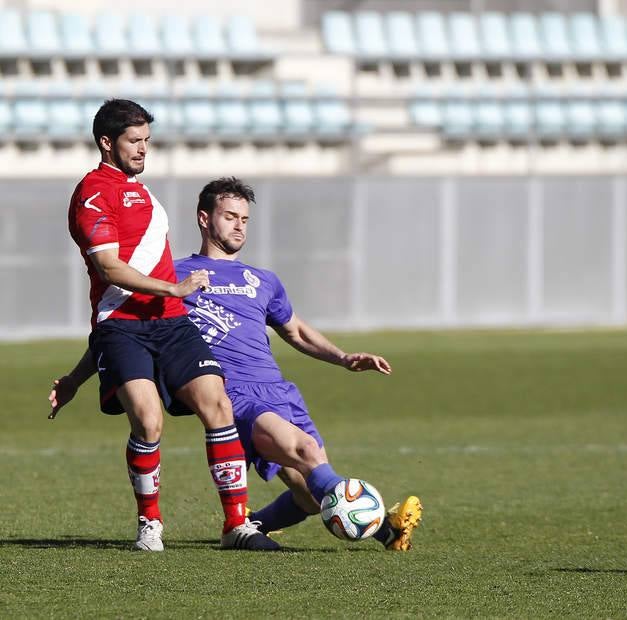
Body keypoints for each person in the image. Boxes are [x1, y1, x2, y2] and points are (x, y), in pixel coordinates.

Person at [54, 176, 423, 551]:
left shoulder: (263, 279)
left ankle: (246, 526)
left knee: (311, 497)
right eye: (229, 216)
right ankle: (385, 528)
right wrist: (75, 378)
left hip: (278, 391)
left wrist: (343, 358)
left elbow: (295, 331)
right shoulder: (174, 275)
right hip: (232, 394)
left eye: (244, 219)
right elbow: (123, 329)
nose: (239, 225)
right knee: (307, 453)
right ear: (204, 219)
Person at [65, 99, 276, 552]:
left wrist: (170, 300)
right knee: (147, 420)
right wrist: (174, 289)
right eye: (134, 141)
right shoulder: (93, 193)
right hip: (121, 325)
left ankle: (236, 524)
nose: (144, 149)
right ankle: (150, 523)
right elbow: (109, 268)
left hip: (170, 323)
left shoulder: (142, 193)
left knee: (216, 404)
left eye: (147, 141)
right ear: (107, 142)